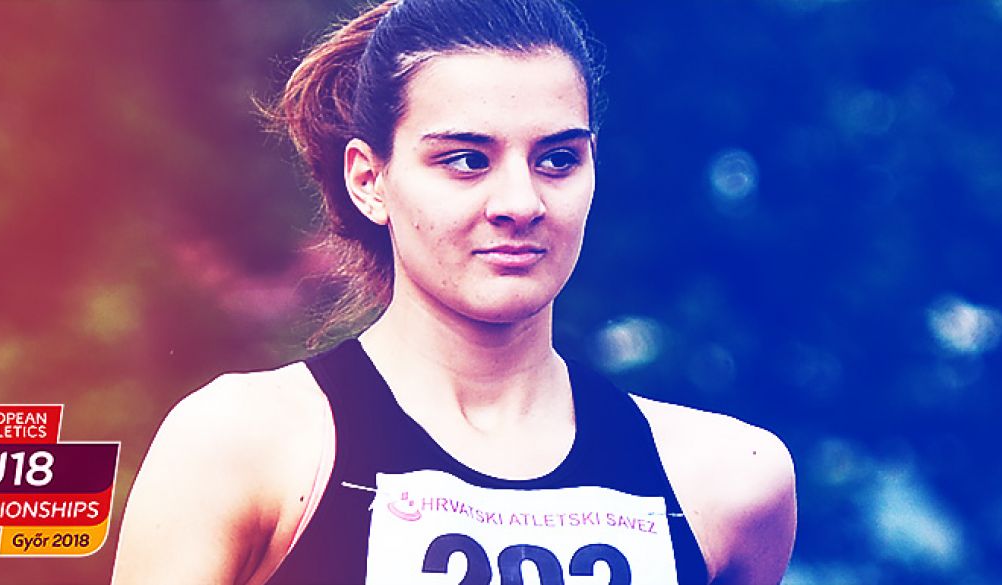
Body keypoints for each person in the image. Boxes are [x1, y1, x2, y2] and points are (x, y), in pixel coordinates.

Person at [112, 0, 797, 583]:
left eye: (558, 159)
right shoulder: (247, 446)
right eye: (467, 160)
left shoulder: (728, 483)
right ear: (368, 180)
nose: (521, 203)